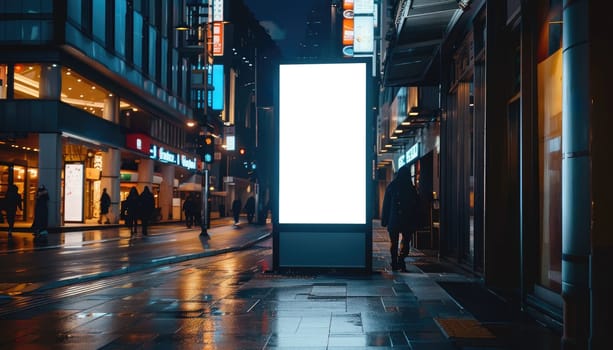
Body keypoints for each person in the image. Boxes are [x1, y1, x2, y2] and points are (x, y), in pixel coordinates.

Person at [381, 166, 419, 271]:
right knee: (406, 241)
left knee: (394, 242)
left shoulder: (392, 186)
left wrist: (384, 220)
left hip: (394, 220)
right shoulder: (411, 188)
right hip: (407, 220)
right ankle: (401, 260)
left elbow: (386, 205)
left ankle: (394, 262)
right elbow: (416, 206)